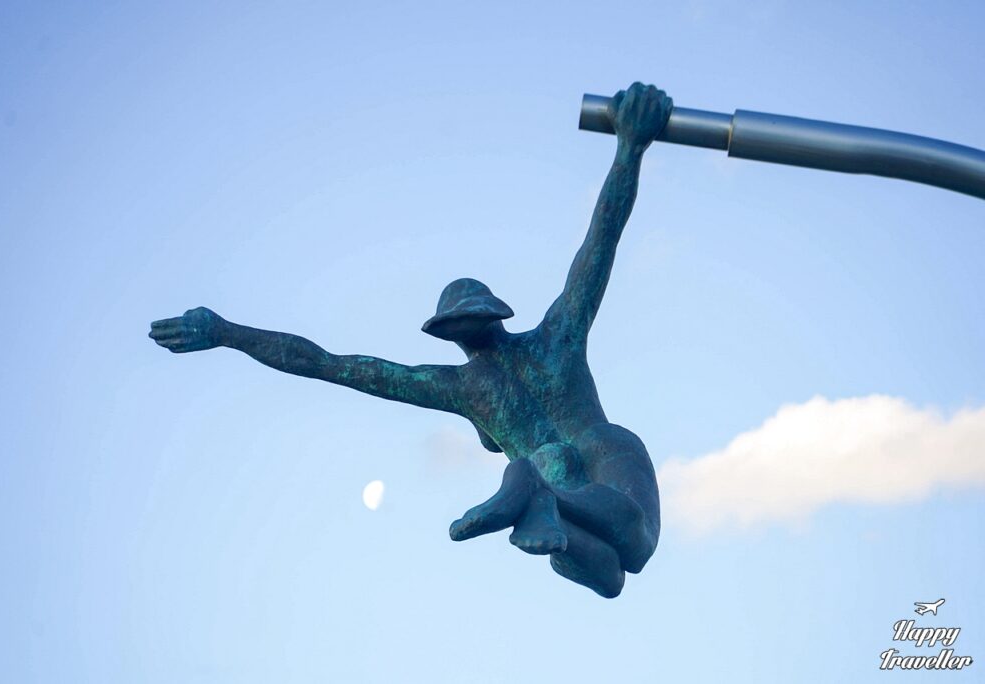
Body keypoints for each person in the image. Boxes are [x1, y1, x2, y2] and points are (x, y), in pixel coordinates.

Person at [150, 82, 672, 598]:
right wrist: (630, 146)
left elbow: (326, 363)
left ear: (449, 334)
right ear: (495, 316)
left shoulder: (463, 387)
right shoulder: (556, 338)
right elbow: (599, 243)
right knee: (631, 552)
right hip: (600, 455)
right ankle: (537, 491)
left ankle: (535, 489)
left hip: (550, 473)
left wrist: (226, 332)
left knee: (608, 577)